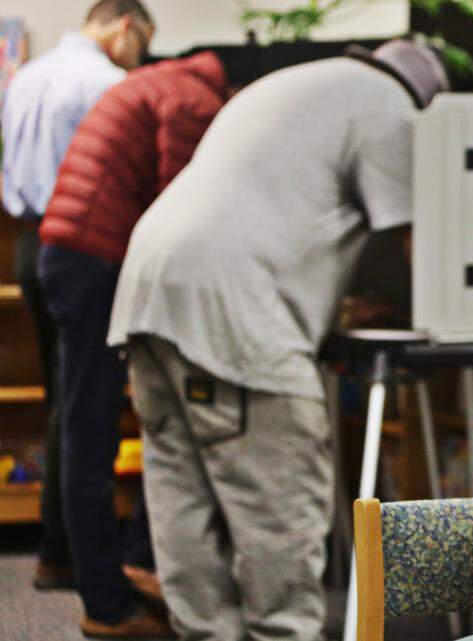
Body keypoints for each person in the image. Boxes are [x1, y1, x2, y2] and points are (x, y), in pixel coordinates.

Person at [106, 39, 449, 640]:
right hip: (232, 311)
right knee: (279, 502)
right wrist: (454, 311)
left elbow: (277, 204)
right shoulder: (392, 105)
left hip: (149, 291)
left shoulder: (292, 82)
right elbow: (415, 239)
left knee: (181, 494)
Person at [36, 46, 256, 638]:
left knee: (96, 424)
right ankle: (106, 606)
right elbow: (184, 210)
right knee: (94, 433)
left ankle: (130, 569)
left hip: (72, 253)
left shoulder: (163, 81)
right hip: (96, 263)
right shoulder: (194, 101)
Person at [0, 0, 152, 598]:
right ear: (124, 27)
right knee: (88, 405)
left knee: (62, 400)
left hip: (28, 246)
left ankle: (56, 549)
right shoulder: (109, 84)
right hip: (87, 248)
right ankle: (83, 564)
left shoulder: (24, 78)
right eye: (141, 44)